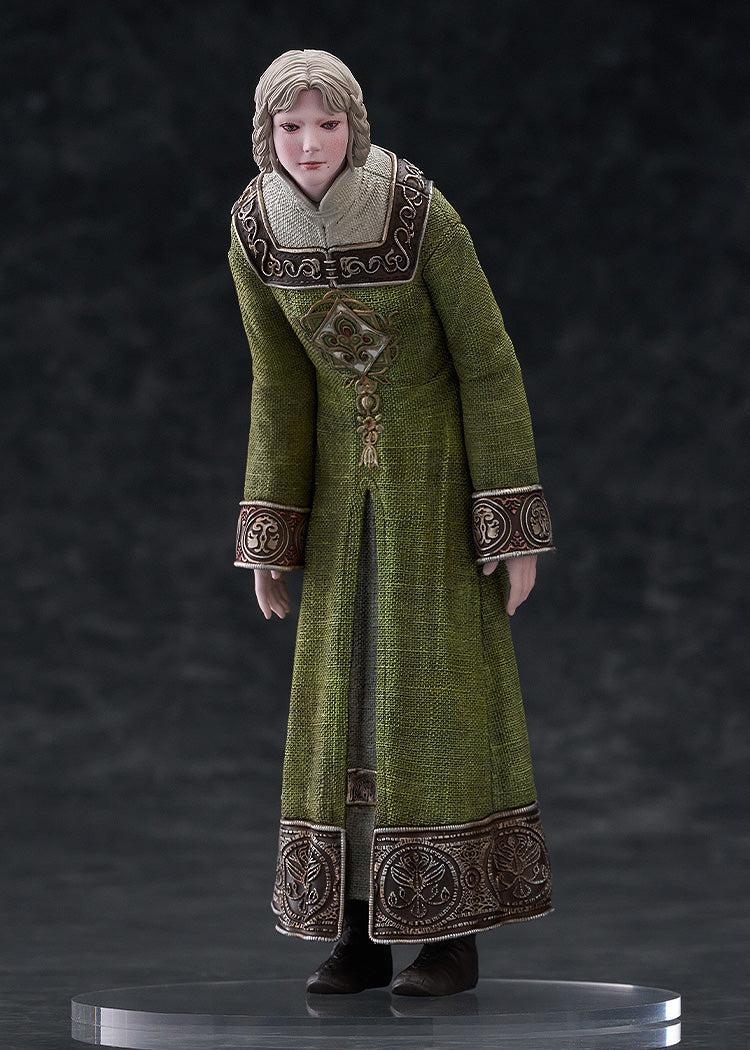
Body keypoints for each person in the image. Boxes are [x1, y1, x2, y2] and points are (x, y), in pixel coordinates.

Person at [229, 48, 556, 997]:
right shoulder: (255, 228)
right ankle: (358, 930)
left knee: (431, 694)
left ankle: (449, 938)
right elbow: (278, 384)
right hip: (340, 497)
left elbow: (487, 362)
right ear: (267, 133)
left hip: (434, 481)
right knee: (344, 705)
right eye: (291, 125)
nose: (310, 143)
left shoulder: (418, 210)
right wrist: (271, 534)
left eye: (327, 124)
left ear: (355, 125)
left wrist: (509, 518)